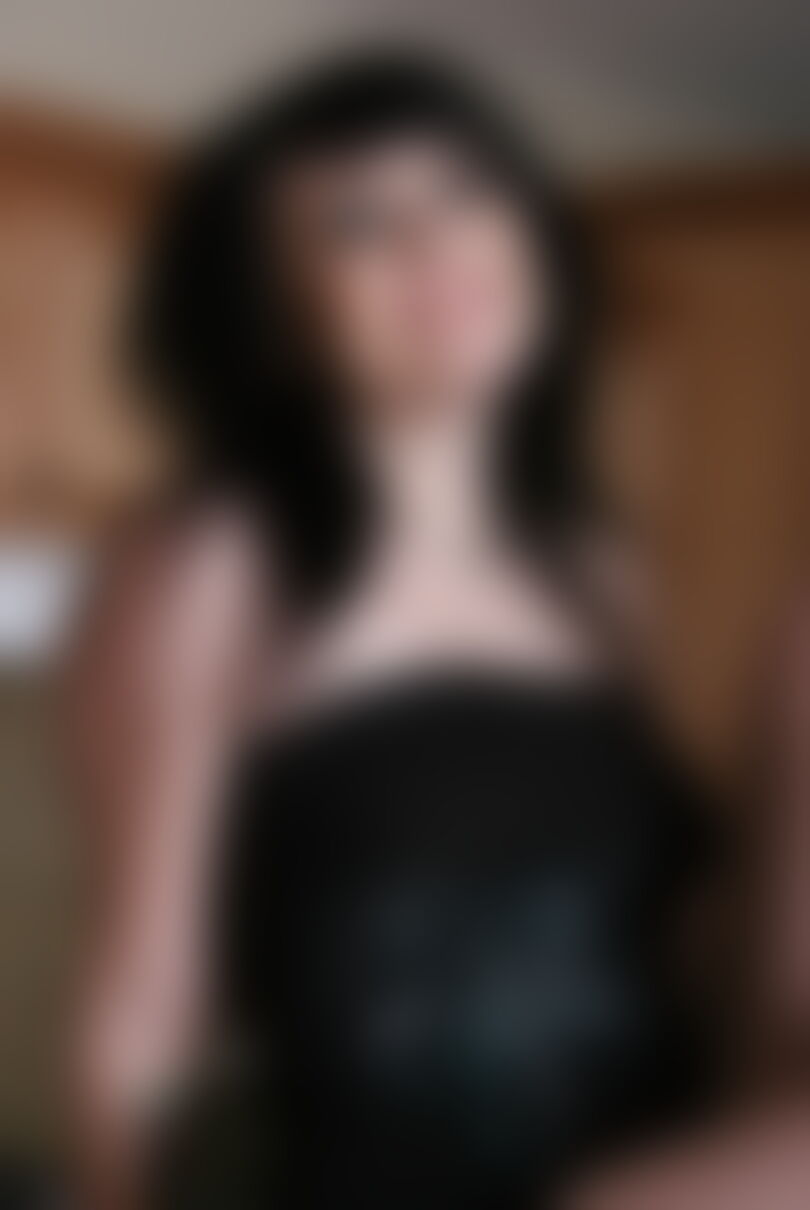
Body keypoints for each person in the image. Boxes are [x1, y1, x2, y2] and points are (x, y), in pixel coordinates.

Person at [65, 52, 717, 1210]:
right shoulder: (214, 566)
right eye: (361, 225)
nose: (439, 243)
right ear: (275, 316)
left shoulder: (596, 568)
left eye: (470, 190)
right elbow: (143, 1004)